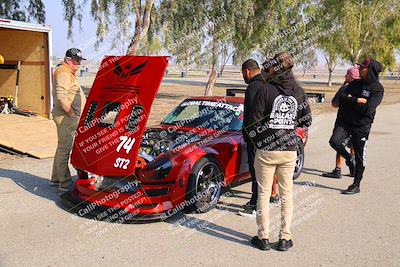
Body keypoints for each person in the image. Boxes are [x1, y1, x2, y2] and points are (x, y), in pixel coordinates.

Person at [245, 52, 312, 251]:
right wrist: (288, 127)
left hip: (266, 150)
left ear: (274, 68)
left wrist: (260, 141)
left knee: (263, 195)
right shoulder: (298, 91)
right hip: (289, 150)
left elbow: (252, 123)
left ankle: (263, 237)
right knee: (287, 195)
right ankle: (284, 238)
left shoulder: (265, 90)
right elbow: (306, 120)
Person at [330, 57, 384, 194]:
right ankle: (349, 159)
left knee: (360, 155)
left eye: (362, 68)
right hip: (346, 122)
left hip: (362, 126)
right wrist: (357, 100)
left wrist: (351, 101)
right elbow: (342, 98)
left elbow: (368, 110)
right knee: (334, 141)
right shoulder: (355, 83)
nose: (359, 69)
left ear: (369, 70)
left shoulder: (377, 89)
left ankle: (356, 184)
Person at [239, 59, 279, 218]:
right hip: (271, 134)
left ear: (247, 71)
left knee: (257, 171)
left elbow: (252, 116)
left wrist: (249, 135)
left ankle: (256, 204)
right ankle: (266, 197)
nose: (243, 76)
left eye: (243, 73)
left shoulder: (253, 87)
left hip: (256, 137)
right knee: (265, 170)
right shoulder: (269, 82)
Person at [51, 48, 87, 191]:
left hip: (67, 116)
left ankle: (56, 178)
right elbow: (61, 97)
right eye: (76, 61)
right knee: (65, 150)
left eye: (79, 61)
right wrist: (72, 115)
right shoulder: (64, 72)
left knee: (62, 148)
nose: (78, 64)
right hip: (66, 117)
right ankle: (64, 184)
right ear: (68, 60)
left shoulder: (67, 71)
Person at [323, 66, 360, 178]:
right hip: (356, 122)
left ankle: (338, 168)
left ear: (350, 76)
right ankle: (353, 169)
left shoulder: (345, 88)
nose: (345, 76)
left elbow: (334, 104)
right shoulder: (361, 88)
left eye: (347, 74)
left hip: (343, 122)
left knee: (339, 144)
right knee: (352, 144)